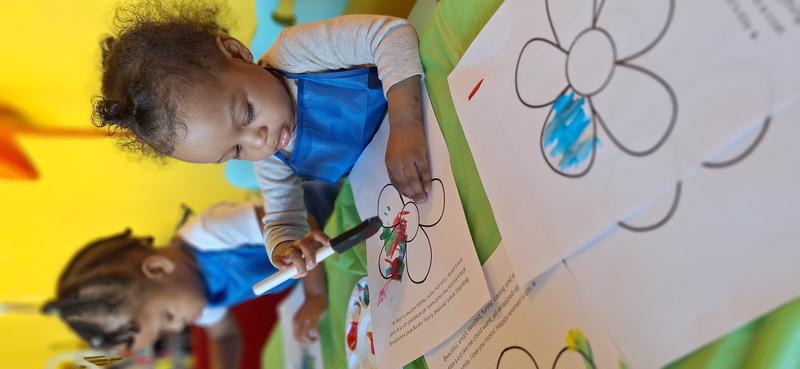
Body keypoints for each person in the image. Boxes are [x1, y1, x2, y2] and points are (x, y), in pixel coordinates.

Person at [92, 1, 432, 277]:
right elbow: (282, 216)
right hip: (422, 167)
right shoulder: (272, 156)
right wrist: (286, 247)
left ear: (236, 53)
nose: (259, 141)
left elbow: (392, 35)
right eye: (236, 150)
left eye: (247, 113)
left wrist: (405, 123)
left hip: (430, 103)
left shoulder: (297, 54)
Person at [43, 200, 328, 368]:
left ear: (158, 268)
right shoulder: (195, 297)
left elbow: (302, 220)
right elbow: (225, 335)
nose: (178, 327)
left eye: (166, 318)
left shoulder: (210, 233)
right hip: (324, 267)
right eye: (167, 328)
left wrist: (314, 295)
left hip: (332, 213)